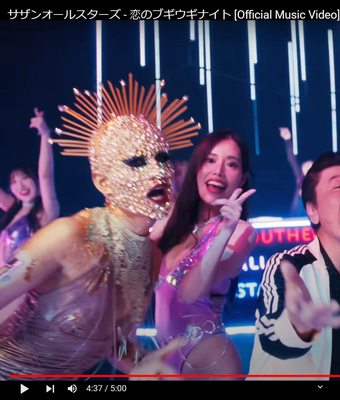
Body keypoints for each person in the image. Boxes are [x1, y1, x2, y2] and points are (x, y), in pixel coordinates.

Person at [0, 75, 199, 378]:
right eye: (136, 161)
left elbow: (115, 341)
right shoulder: (69, 236)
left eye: (162, 157)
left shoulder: (151, 258)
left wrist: (144, 364)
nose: (158, 171)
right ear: (101, 181)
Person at [249, 151, 340, 379]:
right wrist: (298, 328)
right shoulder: (290, 267)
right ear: (313, 211)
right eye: (339, 186)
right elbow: (272, 340)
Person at [155, 130, 257, 376]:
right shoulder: (173, 223)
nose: (218, 171)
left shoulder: (241, 232)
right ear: (197, 168)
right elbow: (132, 267)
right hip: (164, 359)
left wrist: (224, 232)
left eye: (231, 164)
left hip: (210, 360)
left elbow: (190, 292)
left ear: (242, 178)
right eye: (210, 160)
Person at [0, 108, 59, 265]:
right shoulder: (13, 210)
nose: (20, 185)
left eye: (25, 178)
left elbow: (46, 176)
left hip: (29, 277)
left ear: (36, 180)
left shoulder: (46, 211)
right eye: (14, 182)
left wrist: (45, 134)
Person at [279, 127, 313, 217]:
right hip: (296, 211)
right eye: (305, 166)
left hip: (311, 212)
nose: (307, 169)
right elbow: (291, 158)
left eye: (310, 166)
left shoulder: (317, 179)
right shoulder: (299, 176)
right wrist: (287, 139)